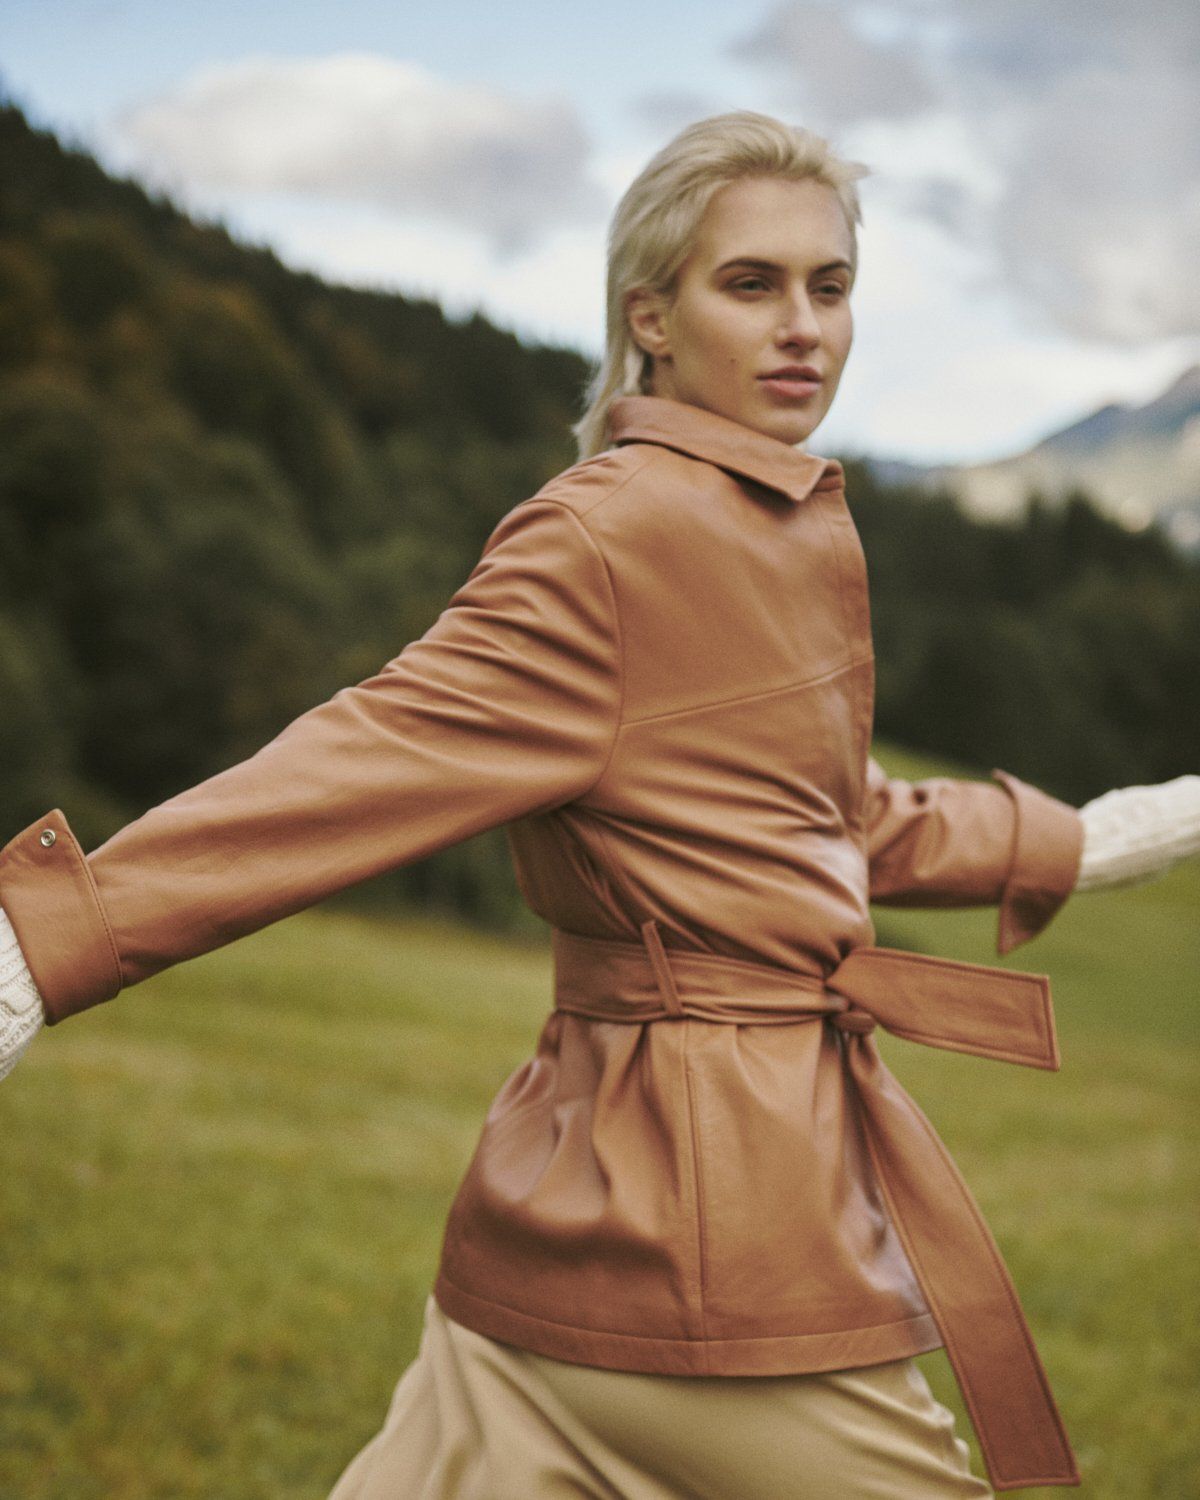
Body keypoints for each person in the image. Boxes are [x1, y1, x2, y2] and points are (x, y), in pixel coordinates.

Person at [1, 110, 1198, 1500]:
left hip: (548, 1256)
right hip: (722, 1253)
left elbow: (825, 817)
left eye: (831, 285)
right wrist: (43, 945)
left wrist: (1089, 837)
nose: (802, 325)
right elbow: (367, 754)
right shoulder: (614, 533)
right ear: (655, 317)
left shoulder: (762, 527)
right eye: (750, 285)